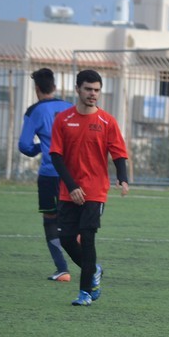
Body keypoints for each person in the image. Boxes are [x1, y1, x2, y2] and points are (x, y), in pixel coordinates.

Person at [49, 69, 129, 307]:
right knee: (66, 239)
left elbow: (119, 153)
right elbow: (56, 156)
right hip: (69, 191)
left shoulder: (107, 121)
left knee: (88, 237)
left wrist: (123, 178)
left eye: (96, 90)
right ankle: (93, 269)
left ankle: (85, 292)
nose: (93, 94)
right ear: (78, 89)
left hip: (95, 191)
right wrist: (72, 186)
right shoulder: (63, 120)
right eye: (88, 89)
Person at [18, 68, 73, 281]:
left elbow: (24, 145)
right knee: (73, 220)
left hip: (50, 174)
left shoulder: (35, 111)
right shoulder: (70, 108)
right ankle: (90, 265)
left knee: (50, 220)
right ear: (55, 87)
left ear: (37, 89)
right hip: (73, 174)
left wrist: (40, 148)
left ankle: (62, 269)